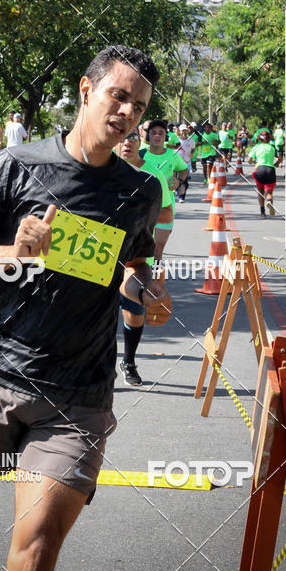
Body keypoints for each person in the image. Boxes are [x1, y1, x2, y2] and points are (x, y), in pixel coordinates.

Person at [0, 45, 171, 571]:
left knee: (36, 553)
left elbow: (135, 267)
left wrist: (149, 292)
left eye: (138, 106)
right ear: (85, 90)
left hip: (76, 400)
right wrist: (12, 253)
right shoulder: (15, 166)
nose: (125, 113)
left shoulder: (141, 191)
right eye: (117, 96)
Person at [114, 131, 173, 385]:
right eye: (122, 137)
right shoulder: (99, 168)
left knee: (134, 313)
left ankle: (128, 362)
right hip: (101, 257)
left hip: (136, 259)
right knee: (97, 316)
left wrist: (157, 252)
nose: (127, 142)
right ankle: (99, 368)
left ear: (141, 143)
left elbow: (167, 213)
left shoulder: (152, 175)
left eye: (132, 137)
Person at [139, 119, 188, 259]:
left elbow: (184, 170)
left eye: (161, 133)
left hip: (166, 207)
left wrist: (178, 181)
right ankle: (143, 277)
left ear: (166, 136)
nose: (157, 136)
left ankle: (155, 277)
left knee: (158, 249)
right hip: (144, 207)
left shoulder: (172, 155)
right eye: (153, 133)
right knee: (143, 248)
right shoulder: (140, 154)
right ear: (148, 135)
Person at [248, 130, 278, 216]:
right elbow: (280, 158)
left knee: (260, 192)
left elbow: (249, 160)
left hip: (260, 169)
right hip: (270, 169)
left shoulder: (256, 147)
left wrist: (254, 162)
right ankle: (269, 201)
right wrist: (275, 164)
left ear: (260, 139)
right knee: (269, 193)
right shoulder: (272, 147)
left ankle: (262, 212)